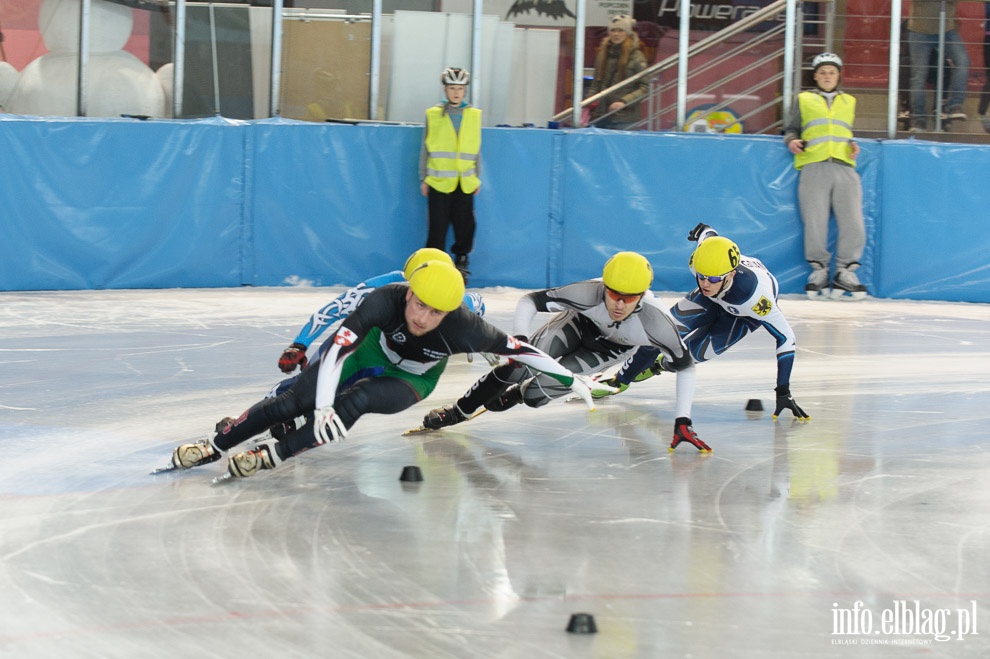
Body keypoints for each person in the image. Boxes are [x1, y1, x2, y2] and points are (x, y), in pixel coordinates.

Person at [166, 260, 596, 479]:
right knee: (295, 398)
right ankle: (216, 445)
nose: (424, 318)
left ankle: (272, 456)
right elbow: (336, 349)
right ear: (408, 291)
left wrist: (570, 378)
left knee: (359, 402)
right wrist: (319, 405)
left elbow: (521, 350)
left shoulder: (466, 328)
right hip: (371, 350)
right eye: (419, 304)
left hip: (412, 378)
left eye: (437, 312)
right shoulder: (384, 299)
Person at [421, 251, 711, 452]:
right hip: (578, 324)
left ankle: (521, 394)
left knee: (535, 397)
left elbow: (685, 366)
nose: (619, 304)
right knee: (517, 366)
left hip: (611, 351)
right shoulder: (589, 292)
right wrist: (520, 341)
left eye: (630, 297)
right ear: (604, 286)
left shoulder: (657, 323)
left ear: (642, 295)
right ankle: (458, 411)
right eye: (613, 294)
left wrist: (682, 420)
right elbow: (530, 301)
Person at [593, 224, 810, 423]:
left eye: (713, 279)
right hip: (712, 300)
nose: (705, 283)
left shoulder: (755, 299)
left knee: (692, 356)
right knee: (662, 331)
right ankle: (620, 381)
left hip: (742, 316)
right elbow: (708, 234)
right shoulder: (702, 263)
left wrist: (783, 390)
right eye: (701, 276)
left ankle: (659, 365)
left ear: (731, 274)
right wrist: (702, 230)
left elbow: (785, 337)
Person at [275, 247, 483, 374]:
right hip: (377, 341)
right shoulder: (381, 289)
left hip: (402, 355)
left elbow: (477, 304)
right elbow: (335, 309)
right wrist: (300, 344)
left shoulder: (454, 300)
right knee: (312, 377)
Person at [783, 52, 867, 300]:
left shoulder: (849, 101)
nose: (827, 76)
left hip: (844, 166)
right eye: (822, 72)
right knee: (815, 221)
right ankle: (819, 271)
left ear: (838, 75)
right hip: (813, 165)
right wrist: (791, 141)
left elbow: (843, 131)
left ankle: (845, 272)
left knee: (853, 221)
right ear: (815, 76)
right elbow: (791, 128)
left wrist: (852, 144)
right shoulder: (804, 98)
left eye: (831, 72)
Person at [420, 67, 482, 282]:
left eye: (460, 89)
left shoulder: (474, 115)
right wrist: (423, 178)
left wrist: (477, 176)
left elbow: (476, 148)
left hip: (465, 181)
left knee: (465, 224)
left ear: (465, 91)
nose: (456, 93)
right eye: (452, 88)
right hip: (438, 181)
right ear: (445, 90)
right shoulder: (433, 114)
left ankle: (461, 262)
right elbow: (425, 148)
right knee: (437, 226)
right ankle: (434, 265)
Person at [907, 0, 970, 131]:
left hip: (947, 29)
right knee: (919, 75)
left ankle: (955, 105)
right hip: (920, 30)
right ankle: (919, 119)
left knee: (963, 61)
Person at [584, 14, 649, 130]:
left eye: (620, 30)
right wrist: (588, 103)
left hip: (625, 119)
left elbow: (645, 87)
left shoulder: (636, 56)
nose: (616, 34)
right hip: (601, 116)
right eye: (613, 30)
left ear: (628, 33)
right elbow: (596, 84)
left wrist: (624, 102)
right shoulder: (602, 55)